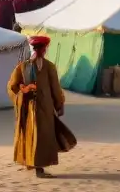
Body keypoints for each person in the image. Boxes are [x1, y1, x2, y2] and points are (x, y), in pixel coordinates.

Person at [7, 35, 75, 178]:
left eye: (41, 48)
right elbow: (12, 87)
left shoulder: (49, 67)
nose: (40, 51)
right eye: (38, 48)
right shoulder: (23, 67)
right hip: (29, 109)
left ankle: (33, 163)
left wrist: (59, 103)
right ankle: (38, 168)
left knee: (41, 136)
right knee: (37, 136)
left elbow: (55, 88)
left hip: (45, 108)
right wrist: (23, 93)